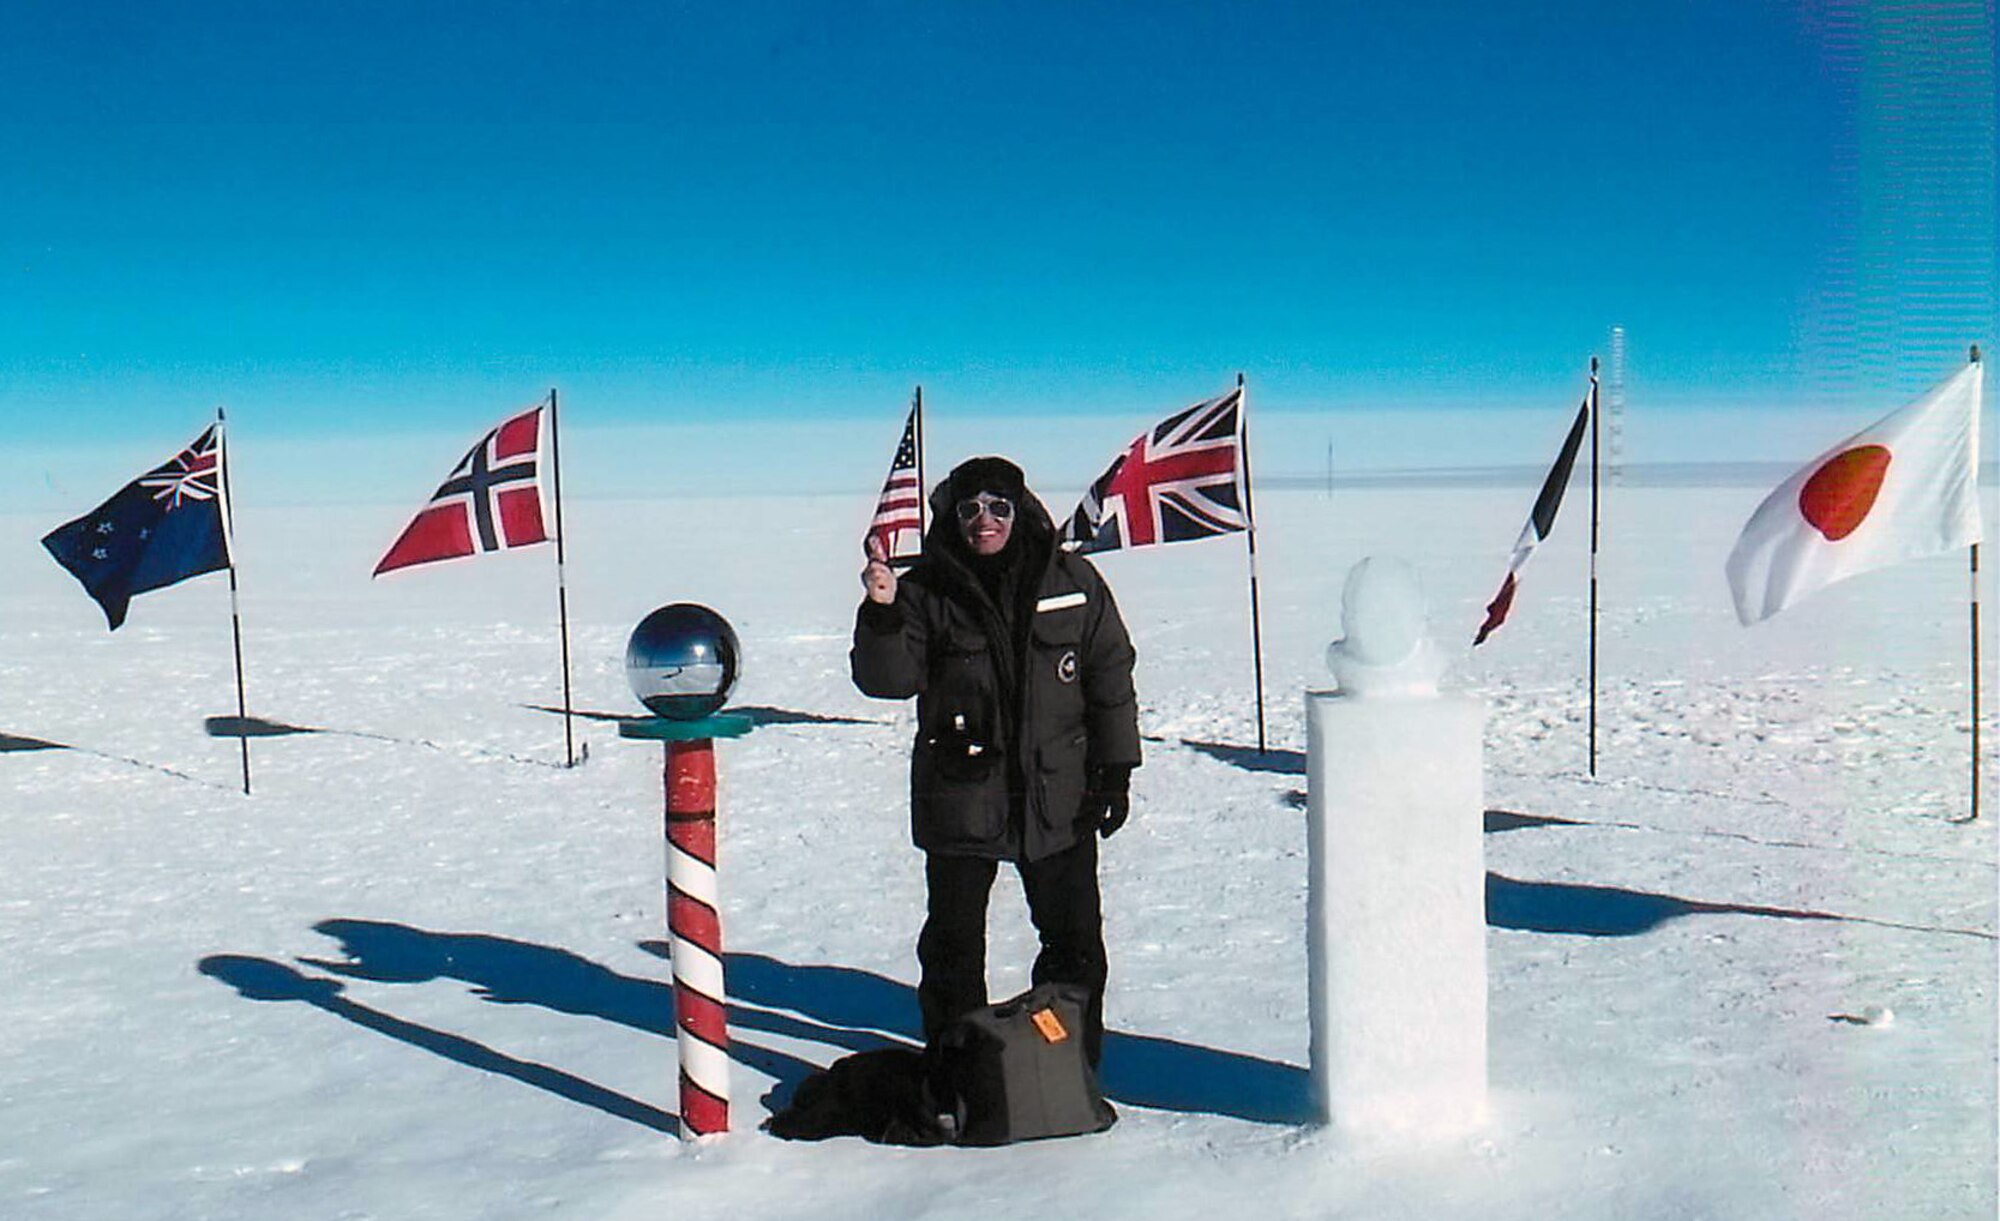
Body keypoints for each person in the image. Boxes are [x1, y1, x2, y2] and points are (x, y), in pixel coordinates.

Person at [851, 455, 1140, 1067]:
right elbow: (889, 680)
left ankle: (1068, 1070)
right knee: (954, 947)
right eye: (971, 509)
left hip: (1057, 795)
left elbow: (1108, 674)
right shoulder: (927, 590)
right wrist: (882, 610)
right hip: (960, 796)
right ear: (954, 518)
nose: (986, 520)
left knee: (1074, 942)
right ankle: (960, 1072)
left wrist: (1115, 769)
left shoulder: (1071, 582)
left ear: (1021, 509)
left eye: (999, 507)